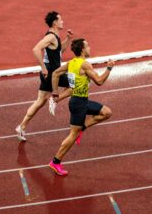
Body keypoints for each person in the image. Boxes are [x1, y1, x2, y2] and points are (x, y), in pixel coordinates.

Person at [47, 39, 114, 176]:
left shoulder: (72, 63)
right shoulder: (84, 65)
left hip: (81, 101)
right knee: (72, 135)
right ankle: (55, 161)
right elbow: (99, 81)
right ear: (82, 50)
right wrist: (109, 68)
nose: (90, 47)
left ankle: (82, 128)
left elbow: (55, 74)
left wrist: (55, 93)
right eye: (87, 46)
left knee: (107, 113)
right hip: (78, 104)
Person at [15, 11, 74, 141]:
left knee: (40, 101)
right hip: (53, 74)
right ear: (54, 22)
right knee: (76, 84)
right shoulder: (51, 37)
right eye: (60, 19)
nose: (62, 21)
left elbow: (59, 50)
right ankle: (55, 98)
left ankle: (21, 127)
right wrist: (43, 67)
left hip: (49, 74)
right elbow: (36, 49)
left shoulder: (55, 36)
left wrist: (68, 39)